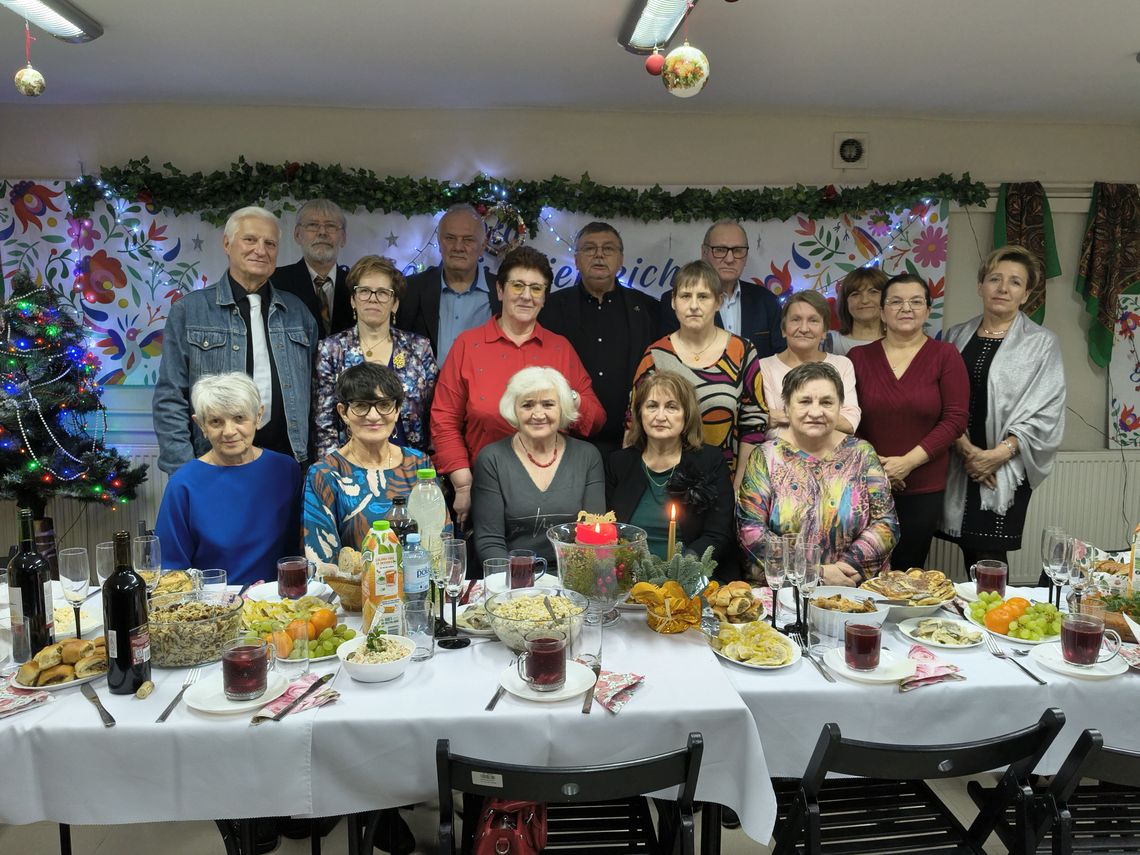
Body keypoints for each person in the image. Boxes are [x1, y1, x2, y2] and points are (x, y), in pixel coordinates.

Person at [431, 246, 606, 529]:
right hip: (484, 491)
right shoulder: (468, 346)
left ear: (544, 297)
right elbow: (444, 420)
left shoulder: (560, 348)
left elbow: (595, 420)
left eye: (536, 288)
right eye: (518, 285)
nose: (527, 295)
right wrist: (463, 485)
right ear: (500, 290)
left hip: (556, 494)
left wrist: (568, 396)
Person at [153, 205, 318, 475]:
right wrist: (184, 470)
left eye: (270, 243)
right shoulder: (190, 310)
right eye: (250, 239)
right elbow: (170, 396)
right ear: (227, 244)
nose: (261, 250)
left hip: (289, 465)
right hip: (213, 463)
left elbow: (315, 396)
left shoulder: (298, 312)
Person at [940, 245, 1066, 570]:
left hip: (1006, 466)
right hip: (959, 459)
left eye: (1015, 282)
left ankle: (995, 620)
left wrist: (997, 455)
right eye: (995, 279)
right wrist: (968, 450)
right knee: (968, 551)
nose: (1003, 288)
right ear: (980, 285)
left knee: (991, 558)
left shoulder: (1041, 343)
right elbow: (939, 396)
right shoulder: (954, 336)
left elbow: (1048, 409)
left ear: (1025, 294)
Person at [737, 362, 899, 585]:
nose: (815, 412)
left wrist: (845, 569)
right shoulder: (764, 457)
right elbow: (750, 531)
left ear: (840, 406)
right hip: (785, 592)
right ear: (786, 407)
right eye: (804, 401)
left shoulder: (862, 454)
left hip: (852, 588)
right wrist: (817, 572)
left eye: (826, 402)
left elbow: (886, 523)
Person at [848, 273, 969, 570]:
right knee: (860, 569)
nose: (906, 308)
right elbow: (849, 419)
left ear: (928, 311)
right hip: (864, 481)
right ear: (882, 311)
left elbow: (955, 419)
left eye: (916, 302)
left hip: (923, 485)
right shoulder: (858, 357)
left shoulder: (945, 355)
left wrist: (907, 463)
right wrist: (877, 467)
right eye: (896, 301)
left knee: (906, 571)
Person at [154, 373, 302, 587]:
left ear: (259, 416)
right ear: (201, 425)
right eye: (216, 421)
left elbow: (294, 552)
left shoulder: (286, 470)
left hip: (278, 601)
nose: (229, 431)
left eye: (239, 418)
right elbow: (171, 570)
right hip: (212, 606)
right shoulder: (183, 484)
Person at [632, 260, 766, 489]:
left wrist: (739, 486)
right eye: (685, 296)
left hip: (723, 483)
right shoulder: (655, 355)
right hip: (663, 482)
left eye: (703, 296)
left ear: (718, 302)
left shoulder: (742, 351)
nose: (693, 305)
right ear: (673, 302)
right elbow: (633, 422)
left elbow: (754, 424)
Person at [539, 222, 661, 456]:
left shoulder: (646, 309)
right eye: (589, 249)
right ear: (576, 259)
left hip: (632, 442)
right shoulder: (550, 308)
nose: (599, 255)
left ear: (620, 259)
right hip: (566, 441)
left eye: (608, 249)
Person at [606, 371, 737, 581]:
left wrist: (678, 572)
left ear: (686, 415)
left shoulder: (710, 461)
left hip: (693, 577)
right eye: (651, 406)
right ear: (639, 413)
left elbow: (718, 534)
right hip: (630, 578)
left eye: (671, 406)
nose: (660, 416)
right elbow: (609, 532)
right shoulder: (618, 463)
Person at [303, 362, 433, 563]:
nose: (373, 416)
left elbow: (438, 542)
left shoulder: (419, 464)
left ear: (397, 410)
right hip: (353, 591)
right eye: (361, 406)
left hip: (418, 588)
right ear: (343, 412)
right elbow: (322, 564)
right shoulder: (324, 473)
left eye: (384, 405)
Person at [472, 367, 605, 564]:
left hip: (573, 577)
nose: (538, 414)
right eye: (527, 405)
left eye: (548, 404)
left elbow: (594, 532)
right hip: (514, 579)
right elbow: (489, 542)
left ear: (563, 408)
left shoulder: (587, 456)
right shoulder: (492, 459)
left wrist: (573, 582)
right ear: (514, 410)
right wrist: (521, 584)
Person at [313, 255, 437, 456]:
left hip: (410, 464)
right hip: (351, 468)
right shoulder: (331, 349)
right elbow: (324, 422)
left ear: (395, 303)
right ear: (353, 300)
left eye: (382, 293)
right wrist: (333, 472)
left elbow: (434, 413)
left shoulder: (419, 348)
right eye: (364, 291)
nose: (373, 298)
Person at [660, 220, 786, 358]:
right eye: (720, 250)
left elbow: (782, 357)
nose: (730, 259)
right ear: (704, 252)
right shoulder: (678, 301)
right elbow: (667, 358)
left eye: (738, 250)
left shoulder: (766, 301)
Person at [397, 204, 501, 366]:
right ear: (439, 242)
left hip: (484, 389)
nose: (458, 247)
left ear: (482, 246)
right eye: (450, 238)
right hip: (426, 389)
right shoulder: (410, 289)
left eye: (468, 240)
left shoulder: (502, 292)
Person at [759, 290, 860, 443]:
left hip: (833, 460)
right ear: (783, 329)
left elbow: (849, 423)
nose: (804, 328)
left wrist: (781, 416)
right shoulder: (763, 367)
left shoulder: (842, 365)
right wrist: (828, 417)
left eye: (813, 320)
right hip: (779, 460)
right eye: (796, 320)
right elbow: (769, 429)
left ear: (825, 331)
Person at [271, 199, 353, 338]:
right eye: (312, 225)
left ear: (343, 237)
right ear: (297, 235)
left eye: (331, 226)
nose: (322, 232)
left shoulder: (357, 284)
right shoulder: (274, 283)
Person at [823, 266, 888, 355]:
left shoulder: (903, 341)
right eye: (855, 294)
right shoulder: (827, 342)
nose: (865, 300)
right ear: (845, 302)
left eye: (873, 292)